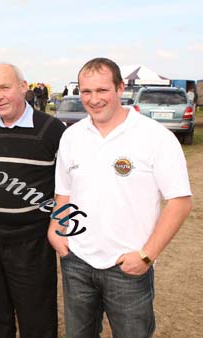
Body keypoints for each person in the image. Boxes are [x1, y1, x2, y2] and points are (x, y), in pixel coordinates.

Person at [48, 57, 192, 338]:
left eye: (102, 90)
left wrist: (146, 256)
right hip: (77, 260)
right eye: (86, 91)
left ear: (120, 88)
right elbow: (63, 192)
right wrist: (56, 230)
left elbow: (180, 202)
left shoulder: (154, 136)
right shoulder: (72, 136)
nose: (94, 99)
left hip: (128, 267)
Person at [0, 63, 65, 338]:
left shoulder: (52, 129)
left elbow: (67, 185)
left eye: (4, 87)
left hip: (30, 242)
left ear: (24, 87)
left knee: (36, 317)